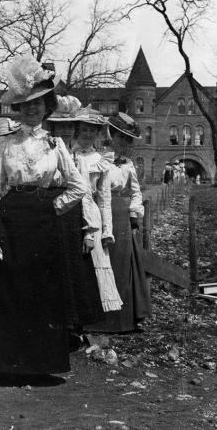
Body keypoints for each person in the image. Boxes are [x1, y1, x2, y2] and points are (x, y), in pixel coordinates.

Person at [0, 55, 89, 380]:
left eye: (38, 103)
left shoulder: (56, 143)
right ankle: (6, 366)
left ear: (47, 106)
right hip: (12, 220)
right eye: (25, 104)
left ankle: (39, 366)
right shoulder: (5, 142)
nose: (31, 109)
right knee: (9, 289)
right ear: (18, 108)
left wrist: (56, 206)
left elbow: (79, 186)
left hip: (44, 222)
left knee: (42, 291)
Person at [86, 112, 151, 333]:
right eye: (121, 137)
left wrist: (134, 215)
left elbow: (135, 192)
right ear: (110, 135)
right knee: (102, 263)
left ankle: (123, 321)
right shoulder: (97, 158)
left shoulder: (128, 164)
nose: (124, 143)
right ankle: (100, 321)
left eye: (127, 139)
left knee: (123, 267)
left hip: (122, 218)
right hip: (101, 213)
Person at [69, 106, 122, 314]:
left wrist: (107, 230)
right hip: (70, 212)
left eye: (93, 129)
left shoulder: (101, 160)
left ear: (98, 132)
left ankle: (94, 316)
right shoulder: (66, 154)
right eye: (84, 128)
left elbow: (105, 198)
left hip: (92, 214)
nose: (88, 133)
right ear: (77, 129)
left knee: (94, 261)